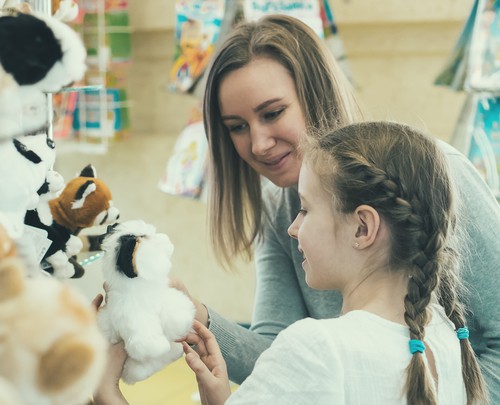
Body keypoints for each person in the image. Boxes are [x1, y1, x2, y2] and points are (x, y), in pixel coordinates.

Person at [173, 13, 500, 402]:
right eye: (236, 126)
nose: (258, 144)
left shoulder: (438, 174)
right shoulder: (278, 209)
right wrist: (195, 315)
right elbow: (279, 358)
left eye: (273, 113)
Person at [182, 121, 488, 404]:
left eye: (304, 209)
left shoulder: (317, 348)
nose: (292, 228)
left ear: (362, 228)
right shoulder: (447, 335)